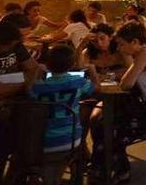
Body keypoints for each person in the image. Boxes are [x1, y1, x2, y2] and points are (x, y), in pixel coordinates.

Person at [89, 22, 146, 184]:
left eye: (122, 44)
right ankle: (104, 169)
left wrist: (128, 58)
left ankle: (116, 172)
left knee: (110, 131)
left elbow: (126, 84)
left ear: (135, 42)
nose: (119, 48)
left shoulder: (144, 55)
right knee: (102, 124)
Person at [28, 45, 98, 185]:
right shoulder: (78, 81)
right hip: (71, 139)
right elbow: (95, 88)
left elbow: (29, 92)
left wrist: (36, 73)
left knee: (49, 168)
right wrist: (93, 72)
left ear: (47, 65)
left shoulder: (41, 86)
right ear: (72, 65)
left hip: (45, 141)